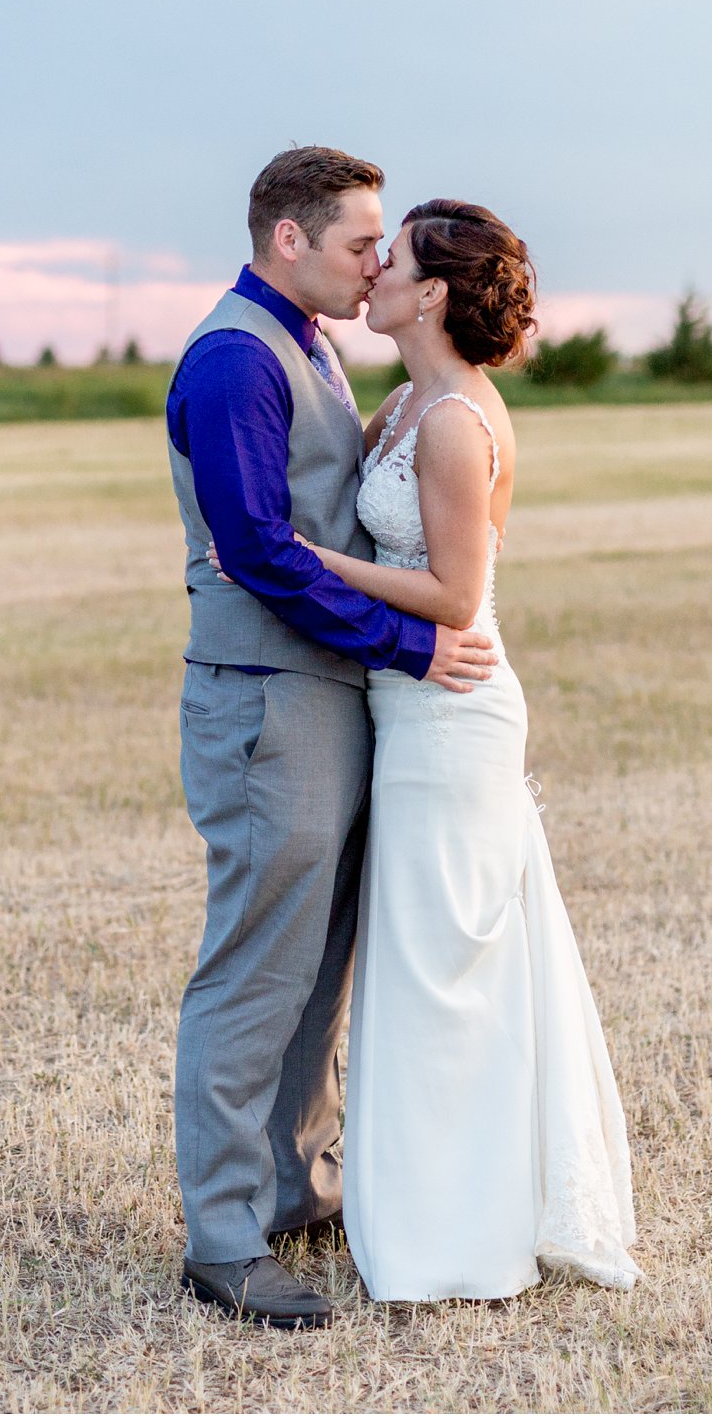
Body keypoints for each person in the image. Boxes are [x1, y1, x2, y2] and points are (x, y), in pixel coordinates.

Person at [248, 200, 641, 1301]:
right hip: (404, 711)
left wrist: (311, 564)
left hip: (450, 716)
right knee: (425, 963)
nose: (371, 270)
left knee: (444, 969)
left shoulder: (460, 423)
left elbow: (456, 598)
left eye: (394, 258)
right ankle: (428, 1210)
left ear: (429, 295)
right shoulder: (405, 403)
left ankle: (457, 1243)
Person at [164, 148, 499, 1330]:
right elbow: (257, 549)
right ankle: (218, 1238)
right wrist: (410, 648)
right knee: (257, 962)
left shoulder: (307, 343)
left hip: (329, 694)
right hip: (265, 699)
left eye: (383, 249)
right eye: (360, 242)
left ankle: (296, 1192)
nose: (375, 264)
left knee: (321, 960)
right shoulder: (230, 360)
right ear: (288, 239)